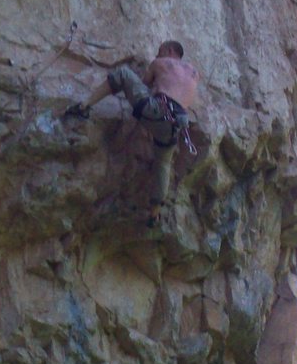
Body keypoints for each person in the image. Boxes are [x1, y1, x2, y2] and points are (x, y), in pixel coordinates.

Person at [66, 40, 200, 226]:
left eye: (159, 51)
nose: (157, 55)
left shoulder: (160, 63)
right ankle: (154, 213)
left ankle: (84, 106)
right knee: (163, 163)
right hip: (178, 123)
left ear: (169, 50)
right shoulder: (194, 73)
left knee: (123, 74)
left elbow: (144, 85)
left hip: (157, 110)